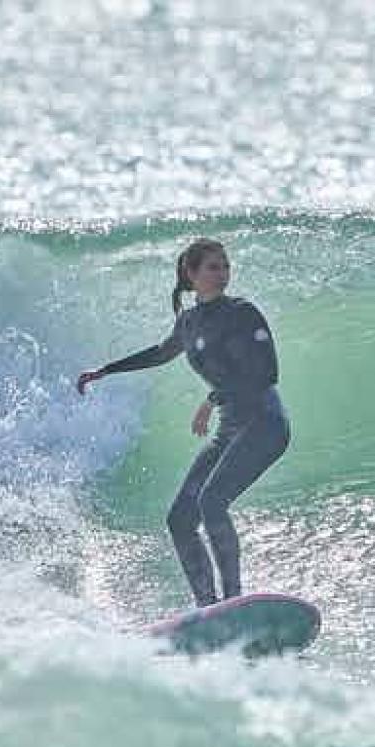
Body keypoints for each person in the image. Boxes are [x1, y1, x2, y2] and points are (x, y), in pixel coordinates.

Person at [76, 238, 292, 607]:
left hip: (263, 423)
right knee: (179, 519)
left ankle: (233, 602)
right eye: (213, 267)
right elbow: (162, 353)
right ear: (191, 275)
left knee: (211, 502)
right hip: (230, 430)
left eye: (225, 266)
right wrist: (106, 370)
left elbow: (266, 372)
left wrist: (213, 398)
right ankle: (209, 610)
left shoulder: (243, 313)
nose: (222, 273)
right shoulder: (190, 322)